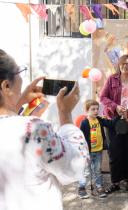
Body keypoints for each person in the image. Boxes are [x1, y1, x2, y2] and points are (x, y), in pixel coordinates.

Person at [0, 49, 89, 210]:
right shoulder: (32, 129)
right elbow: (75, 167)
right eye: (19, 71)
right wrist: (65, 113)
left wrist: (18, 102)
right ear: (6, 86)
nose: (22, 79)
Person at [99, 54, 128, 193]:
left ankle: (126, 180)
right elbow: (103, 97)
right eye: (123, 63)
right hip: (114, 121)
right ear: (119, 65)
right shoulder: (112, 79)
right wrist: (115, 107)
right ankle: (115, 182)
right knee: (114, 152)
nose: (125, 66)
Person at [78, 99, 113, 199]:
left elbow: (110, 124)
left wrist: (119, 117)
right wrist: (82, 151)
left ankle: (99, 187)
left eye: (97, 109)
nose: (96, 111)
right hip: (88, 152)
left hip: (98, 150)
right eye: (93, 109)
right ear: (87, 110)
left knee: (97, 170)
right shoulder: (84, 123)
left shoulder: (100, 120)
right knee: (86, 171)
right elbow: (81, 138)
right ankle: (81, 188)